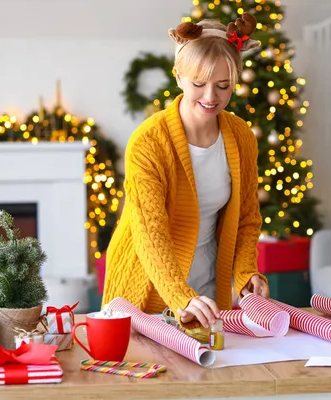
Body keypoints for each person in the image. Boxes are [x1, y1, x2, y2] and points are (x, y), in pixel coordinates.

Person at [102, 12, 269, 329]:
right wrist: (180, 296)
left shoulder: (242, 137)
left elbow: (247, 216)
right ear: (178, 76)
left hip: (206, 289)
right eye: (198, 84)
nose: (211, 97)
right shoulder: (149, 142)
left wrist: (247, 272)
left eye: (223, 86)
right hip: (147, 288)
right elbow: (150, 234)